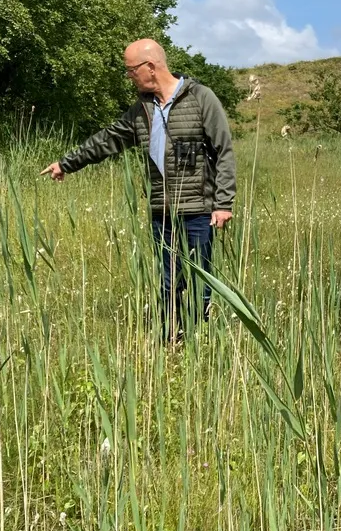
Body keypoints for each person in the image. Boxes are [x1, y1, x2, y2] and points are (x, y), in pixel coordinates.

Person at [41, 39, 237, 339]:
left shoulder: (200, 98)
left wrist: (223, 203)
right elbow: (108, 139)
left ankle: (199, 338)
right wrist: (67, 163)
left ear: (150, 67)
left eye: (131, 70)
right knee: (169, 280)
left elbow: (223, 150)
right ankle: (171, 339)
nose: (129, 76)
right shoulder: (142, 109)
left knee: (200, 279)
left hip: (198, 209)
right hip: (162, 211)